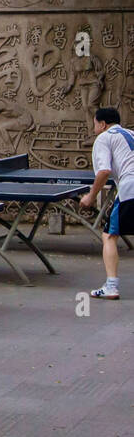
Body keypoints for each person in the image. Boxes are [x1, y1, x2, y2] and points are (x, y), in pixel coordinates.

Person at [83, 107, 134, 300]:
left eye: (95, 124)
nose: (94, 128)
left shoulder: (104, 138)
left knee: (109, 235)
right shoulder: (131, 134)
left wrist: (90, 195)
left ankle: (111, 286)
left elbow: (104, 171)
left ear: (102, 124)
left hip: (130, 188)